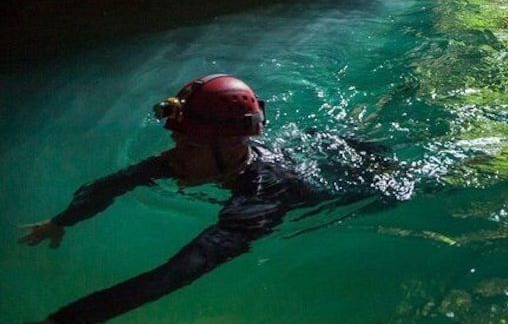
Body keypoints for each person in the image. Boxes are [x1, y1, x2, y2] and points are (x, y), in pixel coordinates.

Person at [18, 74, 395, 323]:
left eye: (191, 145)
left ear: (232, 147)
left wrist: (65, 319)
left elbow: (175, 274)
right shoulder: (194, 156)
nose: (174, 156)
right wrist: (61, 221)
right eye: (177, 141)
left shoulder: (259, 199)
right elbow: (117, 182)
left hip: (358, 185)